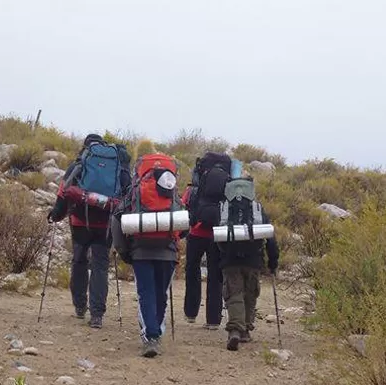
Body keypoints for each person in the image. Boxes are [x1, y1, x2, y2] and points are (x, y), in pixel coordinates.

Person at [49, 134, 130, 328]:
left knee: (79, 260)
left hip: (79, 221)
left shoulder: (79, 163)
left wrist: (56, 214)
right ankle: (97, 315)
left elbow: (63, 192)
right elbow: (128, 194)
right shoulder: (117, 166)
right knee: (100, 266)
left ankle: (79, 305)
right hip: (105, 224)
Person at [111, 152, 185, 358]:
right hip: (168, 252)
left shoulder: (134, 191)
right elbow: (184, 222)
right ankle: (155, 332)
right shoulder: (172, 192)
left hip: (140, 250)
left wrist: (124, 251)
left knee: (146, 293)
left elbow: (117, 220)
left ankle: (151, 336)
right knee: (161, 294)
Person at [215, 175, 280, 351]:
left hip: (229, 260)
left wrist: (217, 262)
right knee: (250, 294)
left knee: (234, 293)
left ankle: (235, 329)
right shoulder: (258, 209)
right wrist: (273, 263)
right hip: (254, 259)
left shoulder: (223, 209)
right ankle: (245, 330)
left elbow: (215, 239)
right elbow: (271, 240)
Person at [181, 182, 224, 329]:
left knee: (192, 271)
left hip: (195, 233)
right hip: (217, 235)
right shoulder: (225, 186)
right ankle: (213, 319)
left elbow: (183, 206)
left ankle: (191, 313)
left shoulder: (193, 189)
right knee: (215, 275)